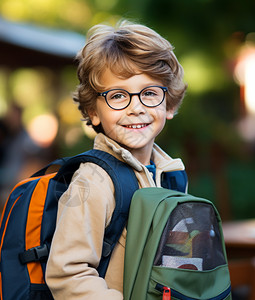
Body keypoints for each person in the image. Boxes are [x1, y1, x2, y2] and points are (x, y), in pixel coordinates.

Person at [45, 20, 187, 299]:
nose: (136, 108)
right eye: (118, 96)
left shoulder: (170, 173)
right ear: (93, 111)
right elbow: (68, 273)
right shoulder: (93, 180)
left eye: (149, 93)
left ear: (168, 104)